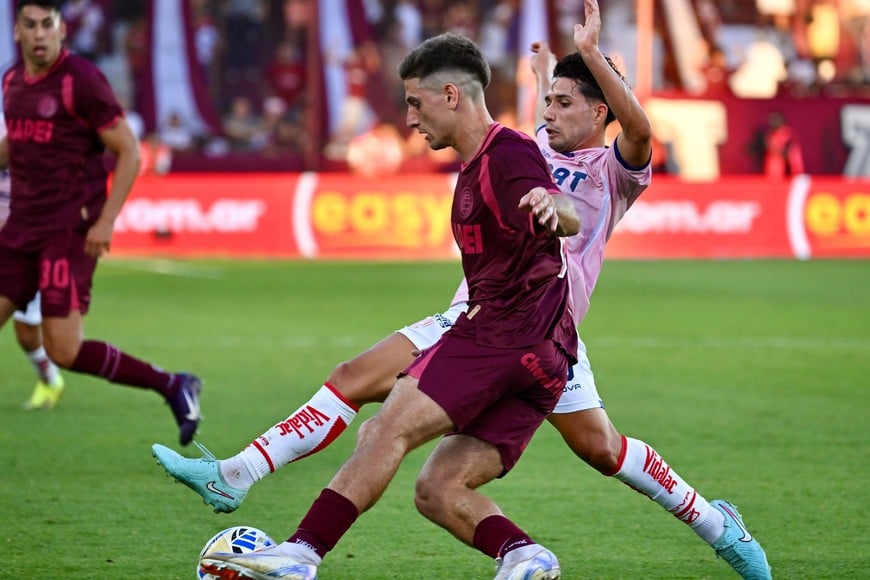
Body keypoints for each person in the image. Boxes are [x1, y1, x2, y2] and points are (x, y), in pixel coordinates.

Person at [156, 1, 771, 578]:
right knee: (415, 451)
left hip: (522, 324)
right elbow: (519, 149)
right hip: (507, 322)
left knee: (591, 448)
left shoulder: (611, 170)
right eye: (546, 102)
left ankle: (716, 524)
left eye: (563, 104)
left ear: (598, 113)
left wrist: (595, 63)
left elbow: (624, 140)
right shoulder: (527, 146)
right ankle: (532, 552)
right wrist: (542, 77)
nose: (549, 113)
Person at [199, 31, 579, 580]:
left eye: (415, 102)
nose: (409, 118)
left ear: (451, 95)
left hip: (502, 335)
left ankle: (301, 555)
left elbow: (569, 214)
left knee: (382, 432)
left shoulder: (507, 154)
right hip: (545, 356)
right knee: (437, 489)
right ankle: (526, 558)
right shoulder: (479, 166)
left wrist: (554, 205)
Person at [0, 0, 202, 446]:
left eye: (46, 25)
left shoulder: (82, 81)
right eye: (29, 25)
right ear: (16, 31)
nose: (38, 34)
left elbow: (129, 151)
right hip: (20, 228)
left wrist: (107, 220)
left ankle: (172, 384)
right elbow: (18, 144)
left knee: (64, 350)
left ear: (61, 30)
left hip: (67, 232)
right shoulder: (12, 80)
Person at [0, 126, 65, 410]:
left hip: (24, 247)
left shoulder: (18, 127)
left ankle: (50, 379)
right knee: (24, 333)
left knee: (27, 333)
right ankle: (51, 379)